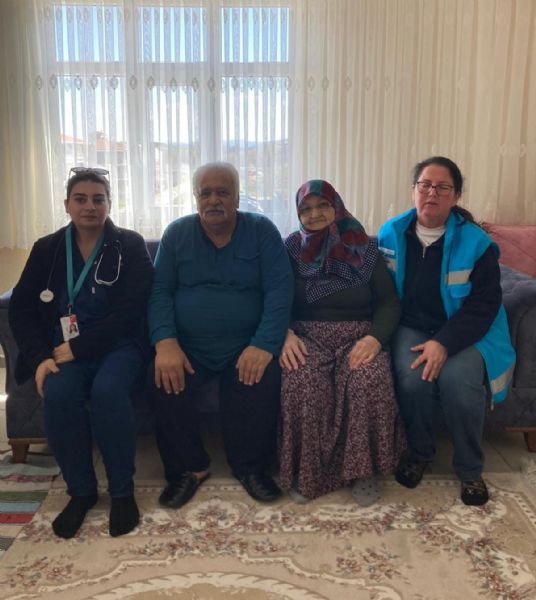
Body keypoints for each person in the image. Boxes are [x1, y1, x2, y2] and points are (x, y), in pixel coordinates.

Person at [9, 167, 153, 538]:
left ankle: (122, 492)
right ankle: (81, 491)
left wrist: (79, 347)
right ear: (67, 205)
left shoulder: (129, 245)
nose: (90, 206)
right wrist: (41, 357)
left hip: (120, 346)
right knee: (58, 393)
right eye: (81, 199)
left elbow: (132, 309)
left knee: (108, 391)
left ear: (109, 204)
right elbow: (21, 308)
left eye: (98, 199)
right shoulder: (47, 249)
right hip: (62, 349)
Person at [147, 161, 293, 508]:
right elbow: (159, 292)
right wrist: (165, 343)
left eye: (223, 192)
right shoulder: (177, 233)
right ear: (196, 198)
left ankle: (251, 468)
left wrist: (263, 344)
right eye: (206, 193)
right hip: (188, 346)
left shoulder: (262, 231)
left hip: (245, 343)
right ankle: (189, 469)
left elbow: (280, 290)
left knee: (263, 377)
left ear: (238, 198)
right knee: (160, 378)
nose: (214, 200)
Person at [378, 156, 516, 506]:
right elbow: (382, 293)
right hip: (411, 326)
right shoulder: (390, 233)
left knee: (459, 381)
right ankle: (419, 453)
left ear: (456, 196)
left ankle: (470, 468)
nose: (432, 193)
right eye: (425, 185)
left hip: (466, 330)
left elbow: (484, 305)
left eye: (442, 187)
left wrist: (443, 343)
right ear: (413, 190)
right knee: (412, 379)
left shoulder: (476, 242)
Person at [278, 179, 405, 505]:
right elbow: (273, 298)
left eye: (322, 205)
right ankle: (308, 472)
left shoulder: (363, 247)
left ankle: (364, 471)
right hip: (306, 337)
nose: (314, 214)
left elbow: (389, 302)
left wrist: (375, 339)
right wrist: (284, 334)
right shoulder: (289, 249)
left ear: (336, 206)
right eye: (306, 209)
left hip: (359, 337)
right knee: (301, 380)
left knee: (368, 378)